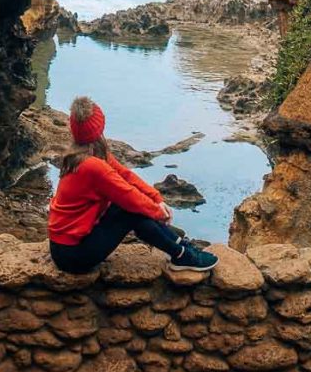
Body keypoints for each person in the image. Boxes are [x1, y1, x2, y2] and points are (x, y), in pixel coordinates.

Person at [48, 96, 219, 274]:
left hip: (69, 244)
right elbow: (128, 195)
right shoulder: (92, 166)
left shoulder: (91, 154)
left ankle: (180, 247)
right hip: (72, 255)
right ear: (99, 126)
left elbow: (126, 175)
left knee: (129, 209)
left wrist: (156, 198)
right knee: (129, 210)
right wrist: (158, 212)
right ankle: (182, 254)